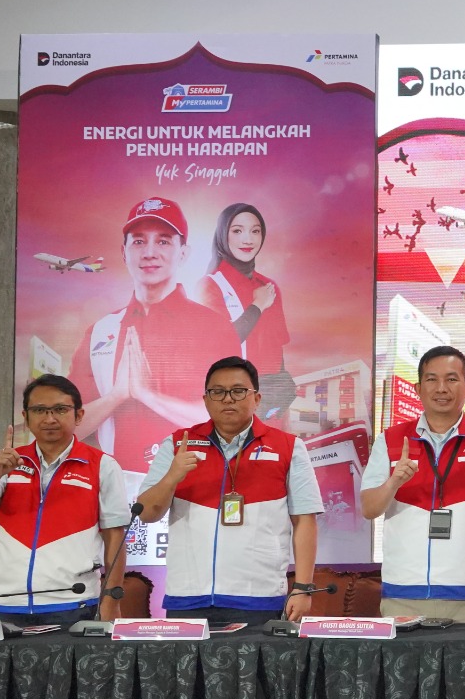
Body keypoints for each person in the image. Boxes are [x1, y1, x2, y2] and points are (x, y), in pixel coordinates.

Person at [136, 356, 322, 628]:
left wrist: (303, 587)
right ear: (205, 399)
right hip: (188, 597)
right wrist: (172, 476)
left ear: (257, 398)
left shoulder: (288, 447)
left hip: (258, 597)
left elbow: (305, 520)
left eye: (238, 391)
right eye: (218, 392)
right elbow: (147, 513)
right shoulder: (178, 444)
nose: (227, 399)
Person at [70, 197, 240, 472]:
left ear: (183, 253)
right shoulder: (101, 331)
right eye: (139, 241)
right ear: (124, 252)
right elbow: (69, 428)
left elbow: (233, 420)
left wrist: (148, 396)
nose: (150, 252)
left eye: (163, 241)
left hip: (196, 483)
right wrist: (116, 396)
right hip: (119, 486)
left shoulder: (215, 327)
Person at [360, 346, 465, 622]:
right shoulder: (389, 440)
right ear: (418, 388)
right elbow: (369, 509)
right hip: (403, 593)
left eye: (451, 379)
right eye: (431, 379)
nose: (441, 388)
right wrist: (394, 482)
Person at [0, 375, 129, 626]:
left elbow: (115, 537)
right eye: (40, 410)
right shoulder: (10, 461)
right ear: (26, 416)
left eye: (60, 410)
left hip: (74, 602)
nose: (49, 418)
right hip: (6, 602)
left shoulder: (102, 465)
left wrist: (111, 600)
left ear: (78, 415)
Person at [196, 203, 296, 415]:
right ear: (223, 234)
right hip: (228, 400)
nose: (248, 239)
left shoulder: (269, 286)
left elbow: (277, 351)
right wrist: (257, 305)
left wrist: (281, 397)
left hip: (267, 403)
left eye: (255, 231)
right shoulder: (210, 285)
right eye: (237, 231)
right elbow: (218, 344)